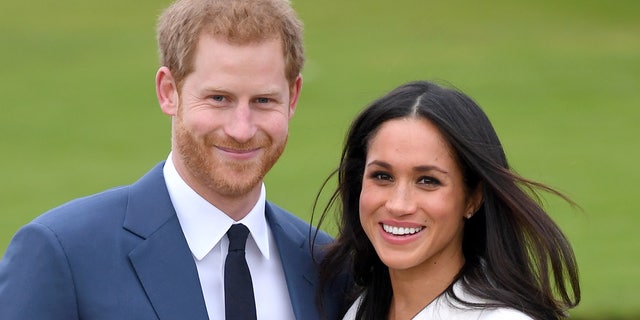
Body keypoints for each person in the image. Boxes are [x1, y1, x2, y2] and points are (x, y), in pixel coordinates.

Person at [0, 0, 348, 319]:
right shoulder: (63, 255)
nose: (242, 130)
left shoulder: (328, 267)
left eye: (263, 101)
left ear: (293, 97)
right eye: (219, 98)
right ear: (169, 91)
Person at [314, 80, 581, 319]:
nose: (398, 204)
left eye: (428, 181)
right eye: (382, 176)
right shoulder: (355, 310)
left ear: (472, 198)